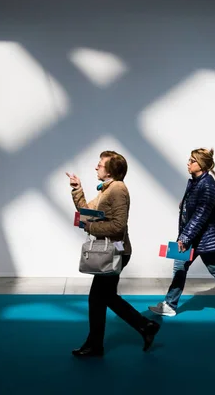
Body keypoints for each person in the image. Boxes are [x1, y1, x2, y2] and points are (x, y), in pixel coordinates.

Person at [66, 150, 160, 357]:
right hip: (114, 251)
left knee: (97, 299)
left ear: (110, 170)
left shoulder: (117, 190)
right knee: (106, 297)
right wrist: (77, 190)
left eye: (100, 164)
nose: (96, 167)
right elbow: (86, 211)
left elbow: (118, 226)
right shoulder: (107, 189)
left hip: (115, 252)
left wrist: (90, 228)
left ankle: (96, 345)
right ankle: (145, 326)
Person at [148, 148, 215, 319]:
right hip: (196, 237)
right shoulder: (196, 181)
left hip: (206, 239)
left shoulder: (207, 185)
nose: (188, 163)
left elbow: (201, 215)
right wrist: (185, 204)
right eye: (189, 159)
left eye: (192, 160)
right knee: (180, 266)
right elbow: (196, 207)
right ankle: (170, 305)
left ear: (200, 164)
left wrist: (185, 238)